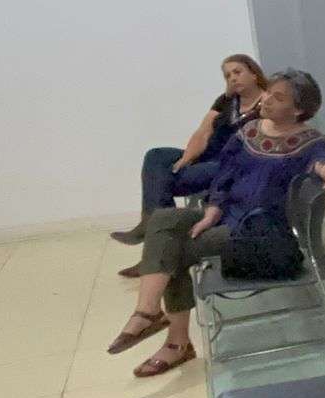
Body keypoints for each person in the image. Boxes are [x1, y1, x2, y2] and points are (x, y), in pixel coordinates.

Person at [104, 70, 325, 377]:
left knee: (173, 249)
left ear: (298, 110)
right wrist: (213, 209)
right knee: (163, 220)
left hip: (257, 233)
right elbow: (224, 174)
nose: (266, 100)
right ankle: (151, 314)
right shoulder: (250, 131)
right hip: (227, 215)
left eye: (278, 97)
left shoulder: (310, 142)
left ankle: (172, 339)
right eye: (268, 92)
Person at [112, 55, 267, 256]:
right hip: (208, 156)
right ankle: (153, 226)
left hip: (229, 166)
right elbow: (203, 133)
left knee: (161, 182)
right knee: (156, 156)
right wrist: (186, 158)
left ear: (254, 74)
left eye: (238, 72)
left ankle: (157, 234)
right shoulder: (226, 101)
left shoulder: (267, 104)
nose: (233, 78)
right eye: (228, 75)